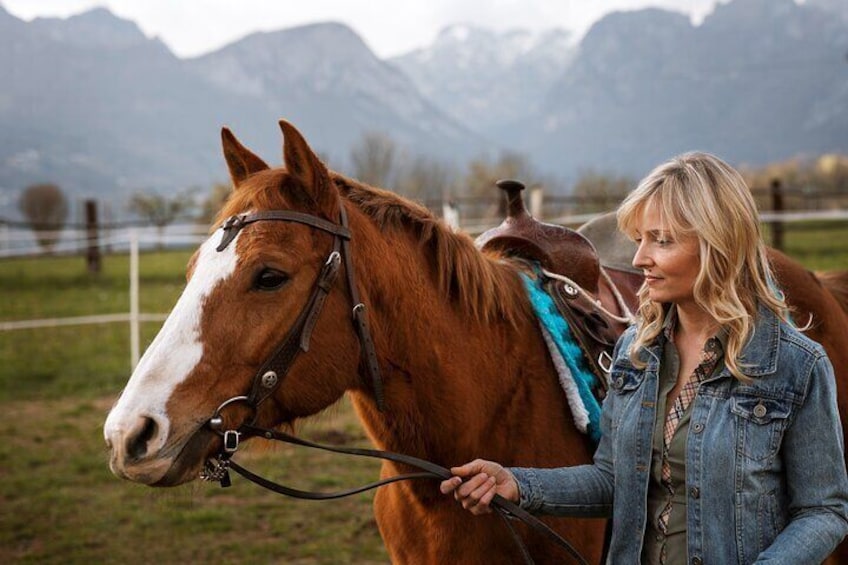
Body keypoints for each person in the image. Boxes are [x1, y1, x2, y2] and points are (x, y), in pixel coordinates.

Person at [441, 152, 848, 563]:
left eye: (662, 240)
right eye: (640, 240)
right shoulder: (635, 352)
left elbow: (823, 511)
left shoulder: (797, 365)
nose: (639, 260)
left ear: (718, 245)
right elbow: (613, 480)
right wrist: (515, 483)